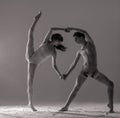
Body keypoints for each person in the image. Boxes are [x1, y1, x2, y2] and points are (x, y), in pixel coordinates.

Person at [60, 27, 114, 113]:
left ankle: (111, 107)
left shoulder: (90, 44)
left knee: (110, 84)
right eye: (75, 39)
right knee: (76, 88)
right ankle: (66, 106)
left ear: (82, 37)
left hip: (94, 72)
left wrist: (71, 28)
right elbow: (74, 64)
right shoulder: (79, 51)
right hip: (84, 72)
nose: (75, 40)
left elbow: (85, 31)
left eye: (76, 38)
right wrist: (67, 74)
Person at [25, 11, 67, 111]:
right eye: (59, 41)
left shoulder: (54, 52)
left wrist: (59, 74)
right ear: (55, 40)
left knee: (30, 82)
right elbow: (51, 29)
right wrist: (64, 29)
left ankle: (30, 103)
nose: (60, 43)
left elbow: (54, 65)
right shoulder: (46, 42)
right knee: (31, 34)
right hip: (30, 54)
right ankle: (35, 20)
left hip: (34, 63)